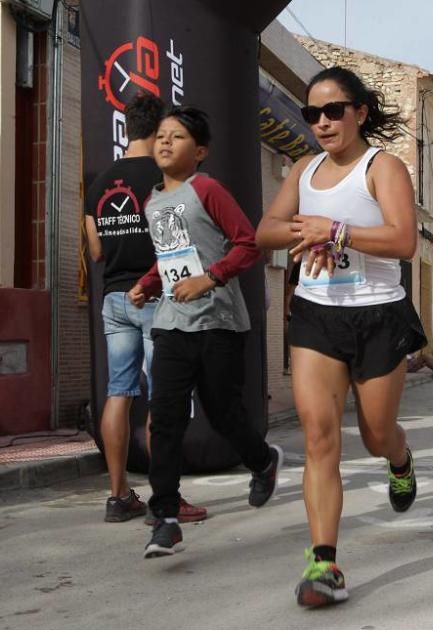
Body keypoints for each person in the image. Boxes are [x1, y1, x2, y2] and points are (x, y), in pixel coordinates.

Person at [256, 65, 426, 607]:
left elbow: (404, 242)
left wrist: (338, 231)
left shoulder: (383, 167)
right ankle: (323, 564)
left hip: (378, 315)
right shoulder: (304, 169)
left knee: (376, 435)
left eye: (333, 111)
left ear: (360, 112)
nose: (322, 123)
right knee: (320, 436)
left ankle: (399, 460)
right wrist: (306, 231)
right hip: (317, 313)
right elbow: (265, 232)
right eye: (312, 114)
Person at [130, 106, 283, 558]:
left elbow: (248, 244)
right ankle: (165, 518)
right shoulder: (153, 199)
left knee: (222, 414)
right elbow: (173, 254)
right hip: (172, 324)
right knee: (166, 419)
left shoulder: (207, 189)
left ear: (199, 151)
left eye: (176, 137)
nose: (164, 143)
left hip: (218, 322)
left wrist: (210, 279)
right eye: (160, 135)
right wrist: (147, 283)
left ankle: (262, 461)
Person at [82, 93, 206, 525]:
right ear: (157, 133)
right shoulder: (165, 177)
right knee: (164, 399)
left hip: (114, 298)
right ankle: (164, 501)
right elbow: (178, 246)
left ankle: (118, 497)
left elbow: (96, 252)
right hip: (157, 298)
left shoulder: (98, 186)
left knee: (119, 392)